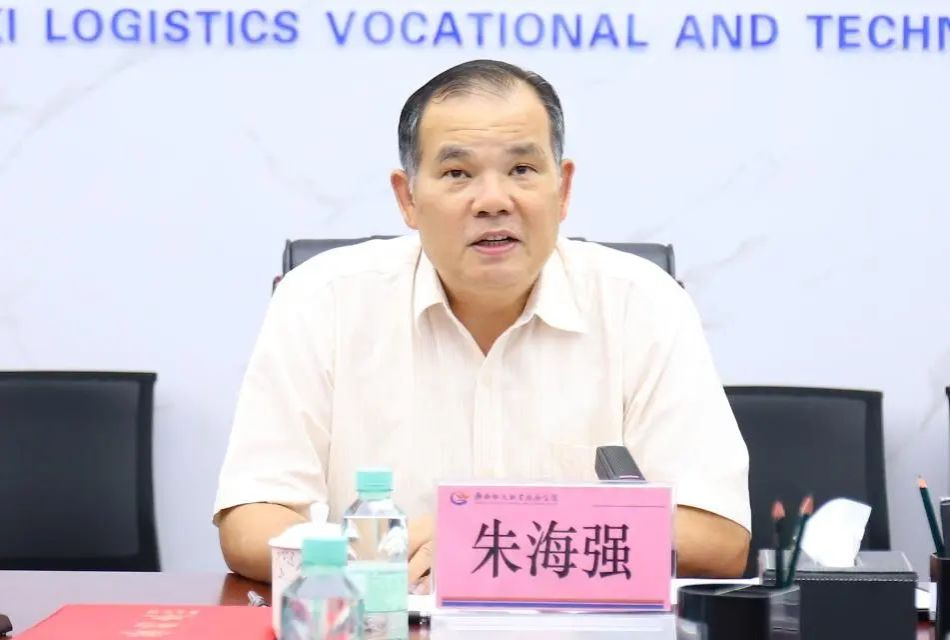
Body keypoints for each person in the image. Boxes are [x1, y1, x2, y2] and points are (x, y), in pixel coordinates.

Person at [214, 59, 751, 588]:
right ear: (407, 198)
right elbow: (252, 520)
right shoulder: (322, 298)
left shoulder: (643, 302)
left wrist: (486, 537)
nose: (493, 201)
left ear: (563, 189)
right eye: (457, 173)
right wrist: (383, 551)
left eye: (522, 170)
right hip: (389, 620)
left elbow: (717, 537)